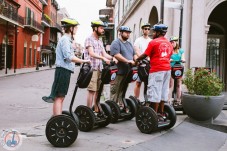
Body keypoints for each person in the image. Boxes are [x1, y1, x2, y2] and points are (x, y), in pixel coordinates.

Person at [42, 18, 90, 116]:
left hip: (65, 70)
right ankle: (57, 119)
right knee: (59, 97)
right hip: (63, 70)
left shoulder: (68, 39)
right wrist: (84, 61)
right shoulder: (64, 40)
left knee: (60, 96)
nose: (77, 29)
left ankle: (56, 117)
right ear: (71, 28)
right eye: (75, 27)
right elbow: (68, 57)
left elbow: (71, 53)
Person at [135, 23, 173, 119]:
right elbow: (169, 55)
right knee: (164, 91)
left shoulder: (153, 42)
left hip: (157, 70)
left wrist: (137, 59)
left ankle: (154, 115)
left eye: (154, 31)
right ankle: (161, 112)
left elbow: (145, 54)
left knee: (155, 91)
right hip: (167, 70)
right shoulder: (169, 43)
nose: (153, 33)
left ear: (159, 32)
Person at [83, 20, 113, 113]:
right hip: (92, 69)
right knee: (92, 90)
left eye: (103, 28)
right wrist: (103, 58)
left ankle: (96, 110)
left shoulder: (100, 41)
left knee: (98, 91)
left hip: (100, 68)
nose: (102, 30)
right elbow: (91, 53)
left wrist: (113, 58)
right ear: (95, 28)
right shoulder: (89, 39)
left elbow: (104, 54)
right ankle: (88, 111)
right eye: (101, 28)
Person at [110, 26, 137, 110]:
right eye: (126, 32)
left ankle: (121, 106)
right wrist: (127, 61)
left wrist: (136, 60)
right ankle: (112, 108)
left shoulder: (129, 44)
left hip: (127, 72)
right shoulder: (116, 42)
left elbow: (134, 54)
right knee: (115, 91)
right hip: (118, 72)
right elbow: (116, 55)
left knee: (123, 90)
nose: (128, 34)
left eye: (129, 33)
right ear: (120, 33)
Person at [133, 23, 152, 101]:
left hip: (148, 64)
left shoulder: (151, 41)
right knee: (138, 83)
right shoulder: (138, 40)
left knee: (147, 84)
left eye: (148, 29)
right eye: (145, 29)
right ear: (142, 30)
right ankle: (136, 99)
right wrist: (142, 58)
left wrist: (149, 59)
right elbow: (136, 50)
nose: (147, 30)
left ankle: (147, 100)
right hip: (141, 63)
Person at [169, 36, 185, 106]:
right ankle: (168, 100)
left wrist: (183, 59)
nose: (172, 44)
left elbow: (183, 58)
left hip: (179, 68)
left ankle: (178, 100)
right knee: (171, 85)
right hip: (171, 68)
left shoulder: (181, 50)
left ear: (176, 42)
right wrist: (169, 60)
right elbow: (167, 58)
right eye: (171, 42)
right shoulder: (169, 51)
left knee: (178, 84)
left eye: (173, 42)